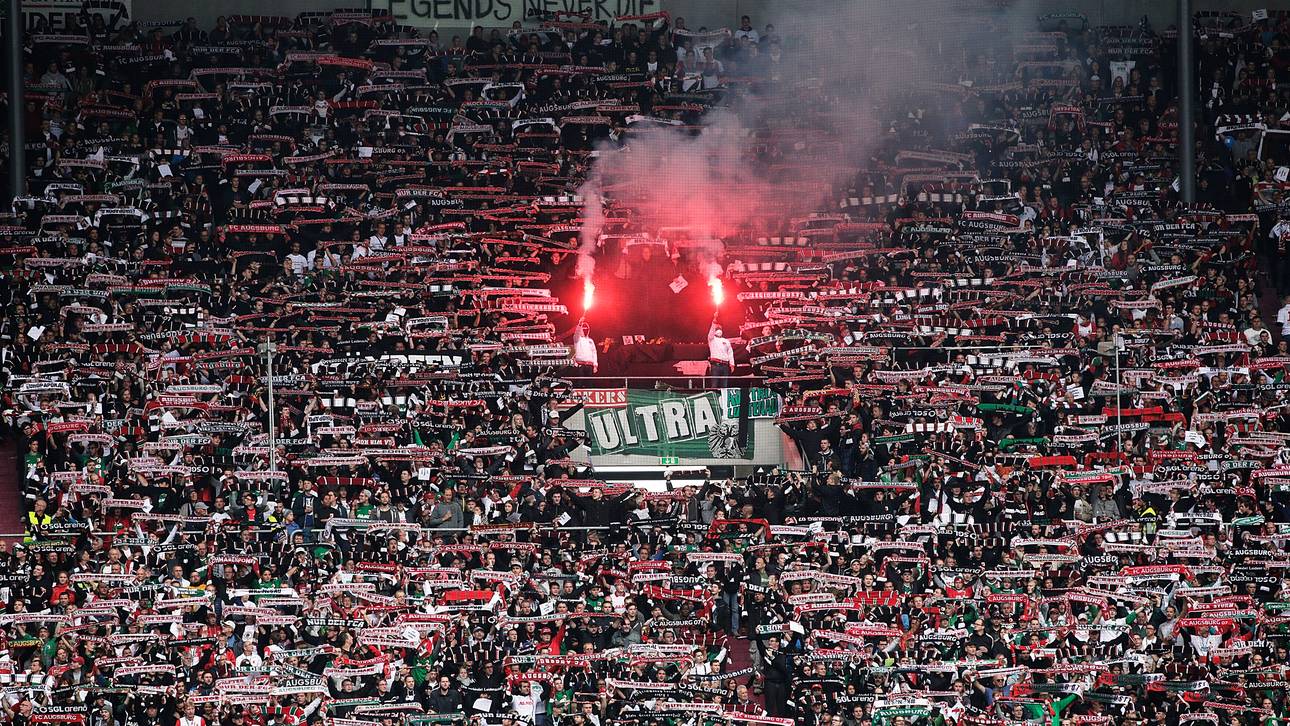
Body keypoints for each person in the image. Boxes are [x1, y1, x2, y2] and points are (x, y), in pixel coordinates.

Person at [707, 313, 734, 389]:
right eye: (717, 329)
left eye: (720, 329)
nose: (719, 331)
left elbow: (730, 353)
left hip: (725, 365)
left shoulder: (726, 341)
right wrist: (714, 322)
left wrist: (732, 364)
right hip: (715, 365)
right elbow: (711, 332)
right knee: (714, 385)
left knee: (724, 386)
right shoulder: (711, 339)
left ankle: (724, 400)